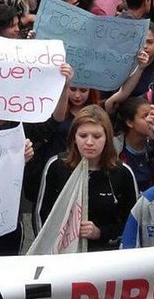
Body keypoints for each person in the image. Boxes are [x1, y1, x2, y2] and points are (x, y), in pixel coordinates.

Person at [33, 105, 139, 252]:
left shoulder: (122, 173)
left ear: (107, 138)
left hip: (106, 255)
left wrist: (101, 232)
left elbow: (133, 221)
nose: (89, 142)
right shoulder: (56, 167)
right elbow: (41, 215)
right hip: (61, 255)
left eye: (97, 136)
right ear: (74, 138)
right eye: (83, 136)